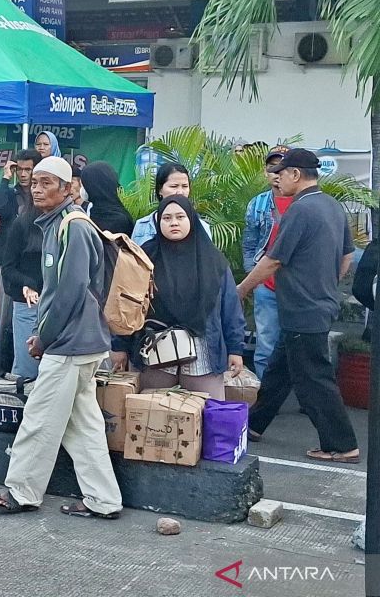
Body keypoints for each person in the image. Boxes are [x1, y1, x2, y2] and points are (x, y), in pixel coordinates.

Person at [0, 156, 122, 520]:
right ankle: (104, 499)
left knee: (40, 416)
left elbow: (70, 291)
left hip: (71, 341)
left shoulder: (73, 227)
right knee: (83, 426)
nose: (39, 189)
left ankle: (21, 491)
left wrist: (43, 337)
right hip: (79, 340)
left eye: (48, 183)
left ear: (67, 189)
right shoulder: (54, 225)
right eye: (36, 182)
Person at [238, 148, 360, 464]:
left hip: (303, 308)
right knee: (280, 369)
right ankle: (253, 425)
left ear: (295, 174)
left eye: (281, 174)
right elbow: (347, 256)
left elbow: (273, 260)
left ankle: (342, 444)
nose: (277, 180)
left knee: (313, 379)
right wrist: (325, 280)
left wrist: (240, 289)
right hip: (315, 303)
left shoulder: (299, 210)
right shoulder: (332, 206)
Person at [110, 196, 245, 397]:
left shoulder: (212, 260)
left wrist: (236, 349)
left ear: (191, 219)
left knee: (208, 416)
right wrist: (119, 346)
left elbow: (230, 307)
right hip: (154, 352)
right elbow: (129, 304)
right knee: (152, 418)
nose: (174, 222)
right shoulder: (145, 256)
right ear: (158, 222)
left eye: (180, 216)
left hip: (203, 352)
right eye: (167, 218)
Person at [0, 148, 42, 373]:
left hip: (34, 272)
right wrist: (4, 178)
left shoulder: (42, 197)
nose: (23, 174)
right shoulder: (11, 194)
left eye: (27, 169)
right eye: (19, 169)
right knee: (6, 323)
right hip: (10, 268)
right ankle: (3, 368)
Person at [242, 145, 292, 380]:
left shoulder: (305, 203)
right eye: (272, 167)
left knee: (299, 346)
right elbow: (249, 245)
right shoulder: (257, 204)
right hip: (267, 286)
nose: (276, 173)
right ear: (265, 172)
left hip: (297, 288)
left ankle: (303, 398)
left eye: (282, 168)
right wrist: (253, 280)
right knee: (265, 346)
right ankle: (265, 398)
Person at [0, 203, 44, 379]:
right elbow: (7, 268)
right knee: (27, 369)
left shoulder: (66, 223)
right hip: (28, 305)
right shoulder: (22, 224)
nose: (39, 190)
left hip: (58, 306)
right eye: (36, 184)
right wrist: (27, 283)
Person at [130, 162, 211, 246]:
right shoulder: (143, 226)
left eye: (185, 186)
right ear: (160, 190)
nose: (180, 192)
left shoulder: (202, 227)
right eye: (174, 186)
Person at [80, 162, 134, 236]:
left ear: (93, 187)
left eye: (84, 185)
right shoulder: (89, 211)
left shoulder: (120, 221)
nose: (83, 189)